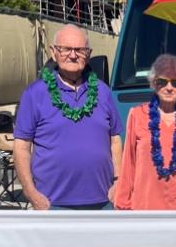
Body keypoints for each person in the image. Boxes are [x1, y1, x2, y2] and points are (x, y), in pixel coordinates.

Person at [14, 25, 124, 210]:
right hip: (52, 202)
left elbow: (115, 141)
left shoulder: (103, 92)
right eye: (66, 49)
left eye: (80, 50)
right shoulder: (35, 93)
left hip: (104, 200)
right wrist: (30, 191)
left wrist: (119, 182)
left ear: (88, 54)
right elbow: (22, 147)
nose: (73, 55)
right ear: (54, 52)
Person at [113, 54, 176, 210]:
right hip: (147, 205)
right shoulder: (137, 115)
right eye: (162, 81)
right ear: (154, 84)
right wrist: (122, 202)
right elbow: (129, 162)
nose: (169, 88)